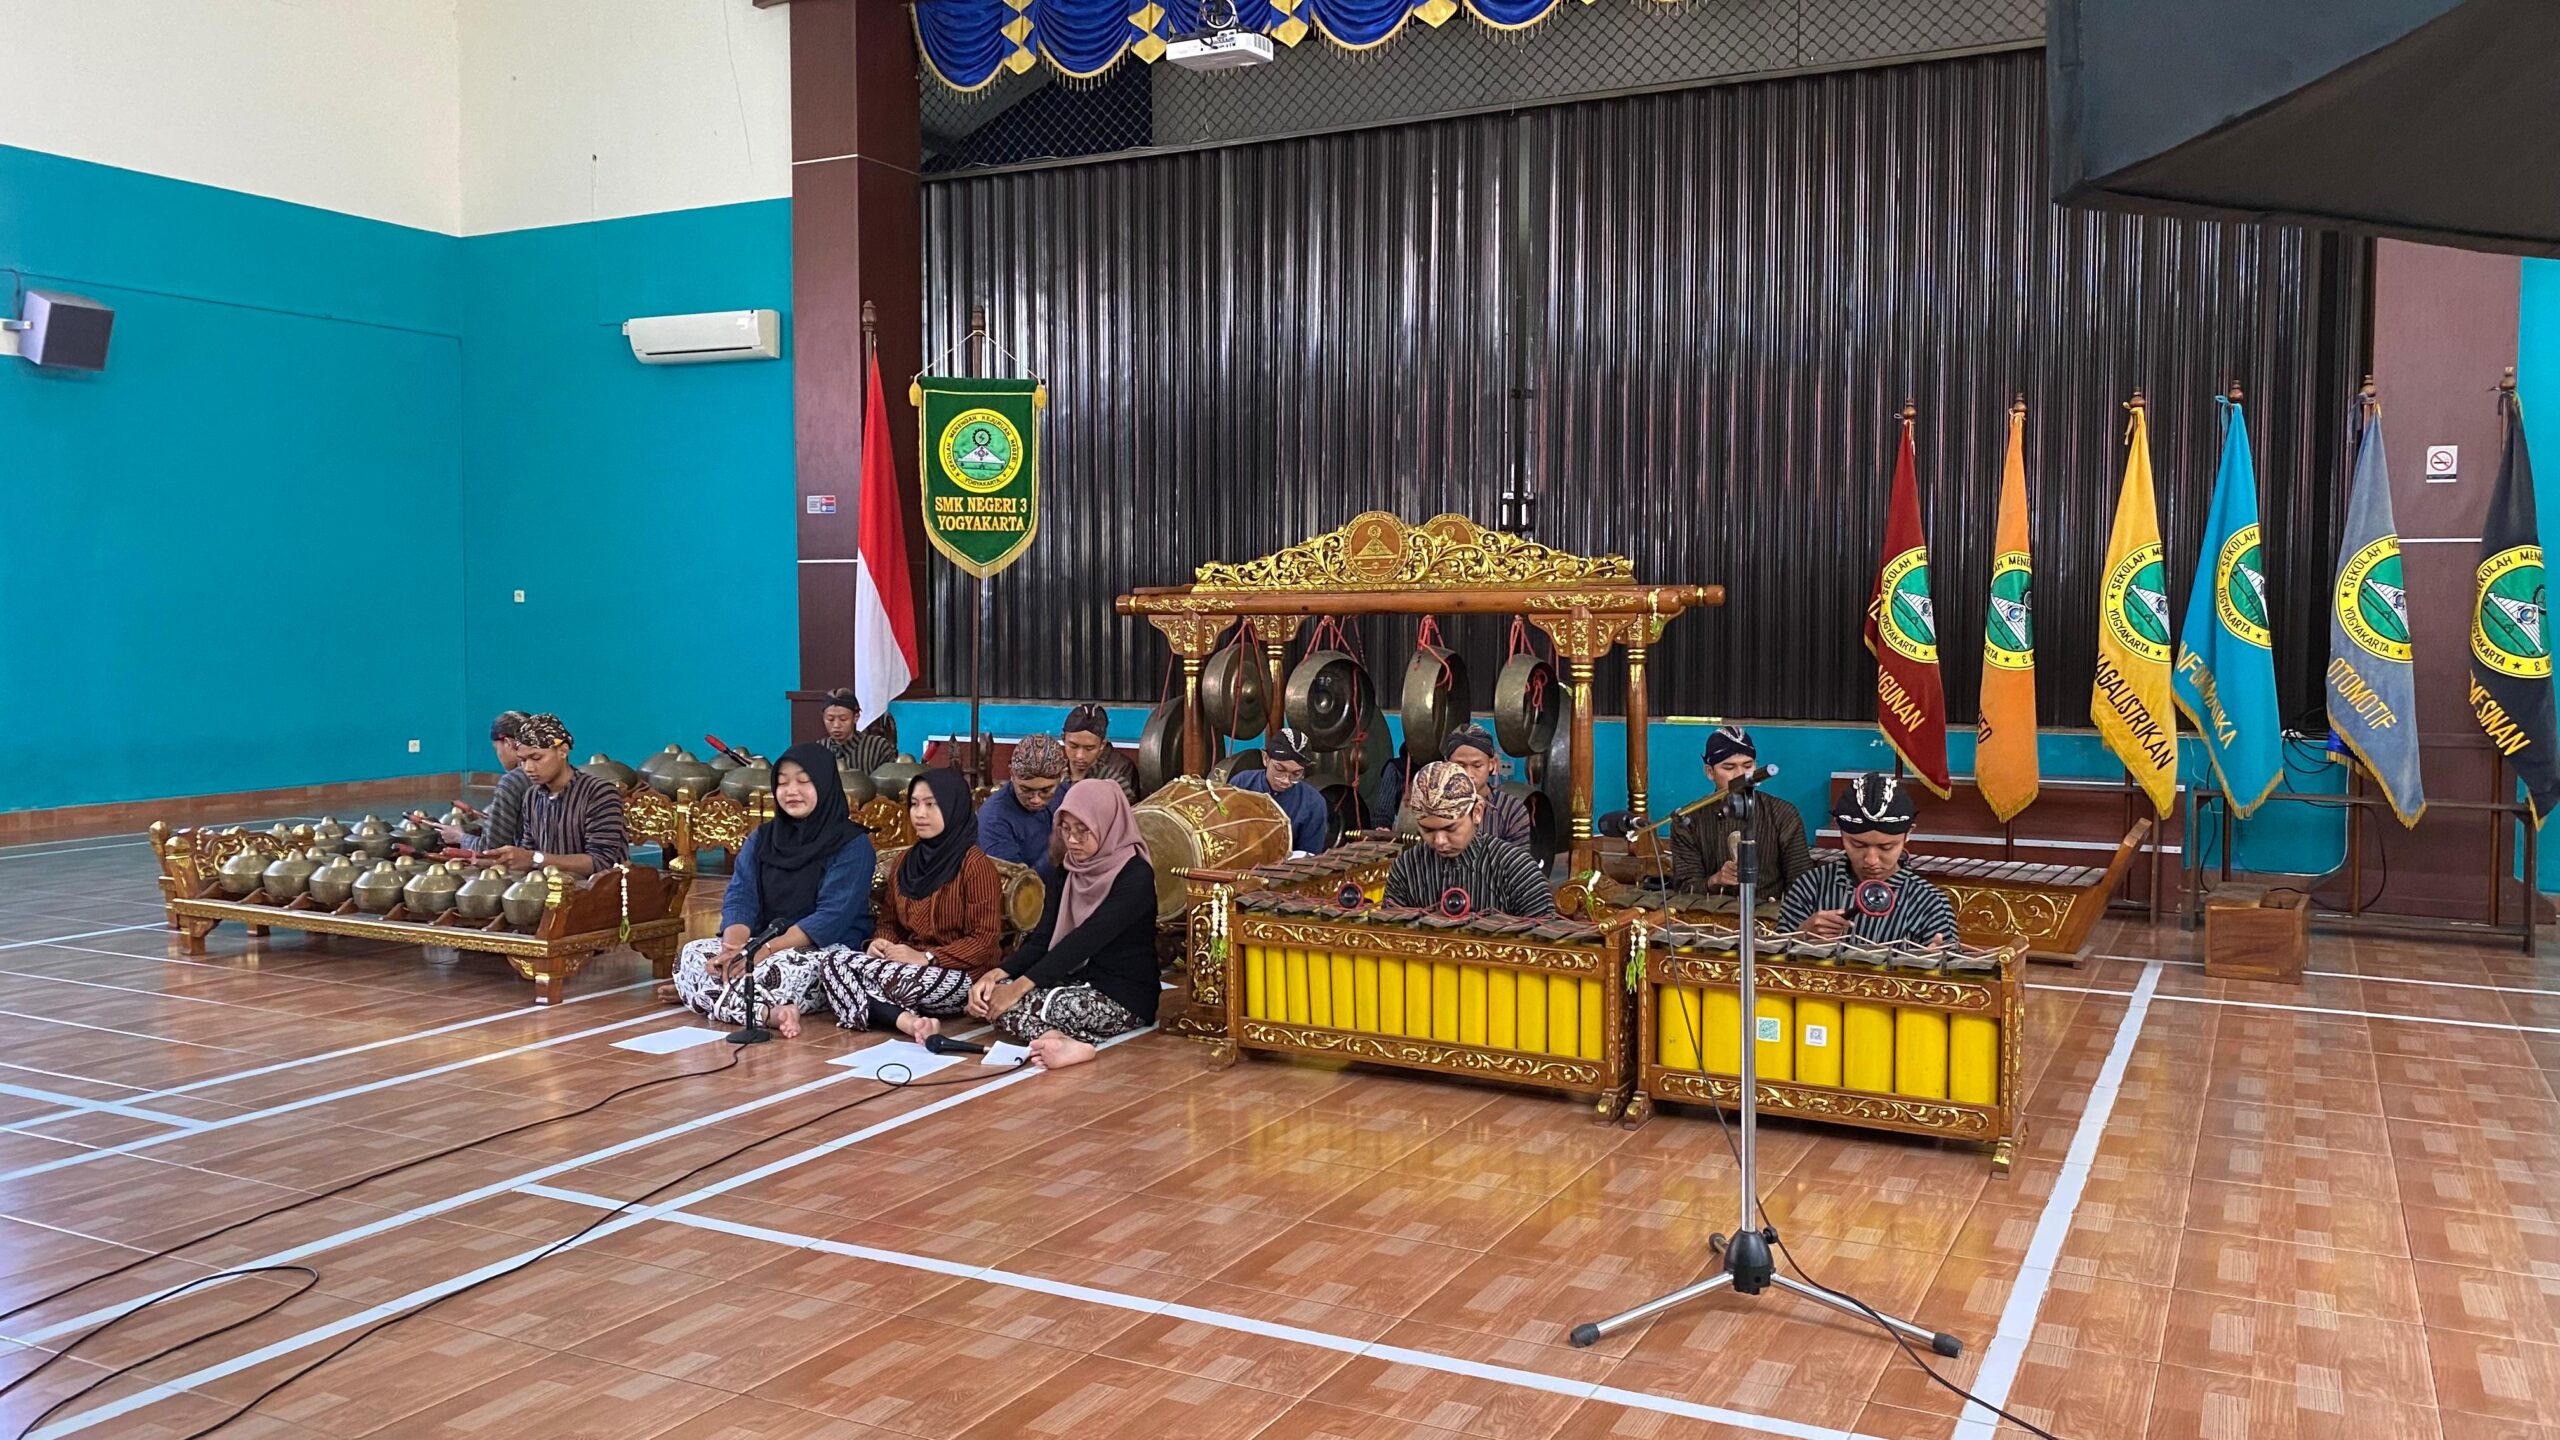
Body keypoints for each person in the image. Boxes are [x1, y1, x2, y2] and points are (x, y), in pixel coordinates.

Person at [665, 745, 876, 1034]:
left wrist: (762, 950)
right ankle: (769, 1014)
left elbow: (832, 917)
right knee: (690, 955)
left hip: (823, 950)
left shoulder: (852, 844)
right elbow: (741, 896)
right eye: (782, 782)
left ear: (825, 784)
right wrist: (735, 947)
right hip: (758, 943)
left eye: (803, 782)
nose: (791, 791)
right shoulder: (762, 838)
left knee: (776, 974)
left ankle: (706, 995)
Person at [964, 781, 1158, 1068]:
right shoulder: (1068, 870)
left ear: (1107, 824)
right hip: (1071, 982)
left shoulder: (1135, 875)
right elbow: (1043, 938)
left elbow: (1083, 941)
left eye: (1083, 830)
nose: (1073, 840)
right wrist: (995, 975)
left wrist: (1016, 989)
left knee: (1026, 1003)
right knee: (990, 998)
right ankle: (1060, 1040)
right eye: (1066, 829)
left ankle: (1060, 1037)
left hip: (1122, 996)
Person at [819, 769, 1005, 1038]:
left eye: (931, 804)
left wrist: (928, 958)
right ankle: (907, 1022)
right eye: (915, 804)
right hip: (902, 964)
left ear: (953, 807)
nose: (919, 814)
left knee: (875, 981)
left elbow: (984, 940)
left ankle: (871, 1008)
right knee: (830, 962)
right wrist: (880, 944)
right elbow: (889, 922)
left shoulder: (974, 865)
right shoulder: (906, 862)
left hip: (961, 975)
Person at [1776, 772, 1957, 944]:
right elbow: (1772, 961)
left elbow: (1950, 967)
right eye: (1858, 845)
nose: (1871, 860)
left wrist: (1937, 963)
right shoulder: (1811, 885)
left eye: (1886, 847)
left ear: (1908, 834)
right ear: (1841, 833)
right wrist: (1801, 934)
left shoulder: (1930, 902)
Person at [1380, 761, 1555, 918]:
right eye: (1427, 830)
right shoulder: (1406, 869)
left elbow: (1546, 943)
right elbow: (1390, 936)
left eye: (1451, 828)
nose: (1439, 841)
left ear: (1477, 813)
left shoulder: (1516, 869)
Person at [466, 714, 628, 876]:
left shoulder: (599, 793)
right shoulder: (532, 797)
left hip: (601, 895)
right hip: (550, 891)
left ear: (563, 751)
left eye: (536, 757)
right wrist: (496, 861)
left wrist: (533, 858)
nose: (528, 768)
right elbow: (527, 854)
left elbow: (601, 861)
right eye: (523, 760)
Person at [1668, 725, 1816, 896]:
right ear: (1710, 772)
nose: (1741, 775)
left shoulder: (1782, 814)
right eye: (1729, 768)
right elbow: (1685, 888)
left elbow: (1802, 884)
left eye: (1748, 765)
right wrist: (1715, 880)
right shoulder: (1688, 821)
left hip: (1769, 916)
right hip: (1710, 917)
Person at [424, 711, 530, 851]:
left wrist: (460, 837)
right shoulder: (564, 772)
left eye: (496, 748)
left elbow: (491, 849)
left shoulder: (513, 782)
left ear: (508, 743)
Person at [1227, 727, 1331, 856]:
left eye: (1296, 773)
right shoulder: (1241, 783)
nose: (1286, 780)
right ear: (1266, 759)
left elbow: (1308, 857)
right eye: (1279, 769)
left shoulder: (1313, 803)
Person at [978, 733, 1065, 874]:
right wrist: (1052, 856)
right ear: (1011, 773)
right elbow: (1013, 887)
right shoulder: (994, 818)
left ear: (1062, 776)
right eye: (1026, 789)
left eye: (1046, 790)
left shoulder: (1066, 794)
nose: (1036, 799)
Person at [1438, 725, 1533, 849]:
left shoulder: (1512, 810)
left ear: (1492, 764)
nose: (1468, 775)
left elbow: (1519, 863)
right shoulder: (1435, 806)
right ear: (1447, 766)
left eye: (1477, 765)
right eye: (1460, 766)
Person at [1061, 703, 1140, 803]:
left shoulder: (1119, 772)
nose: (1080, 755)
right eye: (1073, 746)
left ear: (1102, 744)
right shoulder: (1055, 768)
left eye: (1089, 748)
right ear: (1063, 739)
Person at [821, 688, 897, 775]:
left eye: (843, 719)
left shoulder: (877, 747)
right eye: (830, 719)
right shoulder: (820, 749)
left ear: (856, 717)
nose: (836, 725)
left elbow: (891, 783)